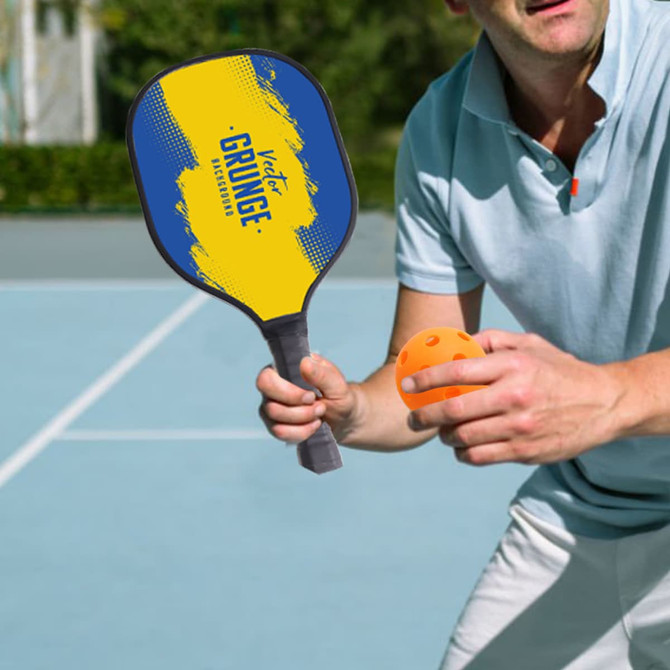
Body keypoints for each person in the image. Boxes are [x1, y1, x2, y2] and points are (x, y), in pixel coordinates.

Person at [257, 0, 670, 665]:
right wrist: (355, 411)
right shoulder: (439, 132)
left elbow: (604, 399)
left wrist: (608, 398)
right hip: (581, 515)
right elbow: (422, 374)